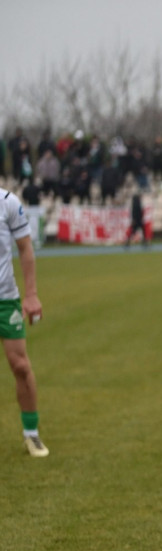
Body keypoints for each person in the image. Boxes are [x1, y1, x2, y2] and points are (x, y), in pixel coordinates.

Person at [0, 186, 48, 457]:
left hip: (6, 301)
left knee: (19, 365)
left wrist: (31, 295)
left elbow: (25, 249)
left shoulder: (8, 202)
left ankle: (32, 434)